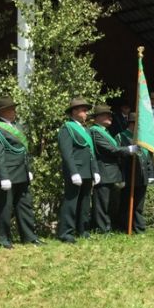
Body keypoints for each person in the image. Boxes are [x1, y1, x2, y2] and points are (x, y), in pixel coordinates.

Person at [0, 96, 43, 248]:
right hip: (7, 174)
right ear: (2, 111)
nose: (14, 111)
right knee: (5, 208)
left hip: (21, 172)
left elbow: (24, 151)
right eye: (11, 109)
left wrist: (29, 169)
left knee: (25, 206)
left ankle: (29, 237)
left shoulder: (17, 126)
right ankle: (4, 239)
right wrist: (3, 177)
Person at [57, 97, 100, 243]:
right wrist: (73, 172)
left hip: (87, 171)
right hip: (76, 171)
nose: (86, 113)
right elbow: (66, 153)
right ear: (74, 111)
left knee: (85, 202)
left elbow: (91, 152)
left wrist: (95, 170)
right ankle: (66, 233)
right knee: (71, 202)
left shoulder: (85, 129)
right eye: (83, 110)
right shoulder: (67, 128)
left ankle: (83, 230)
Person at [89, 104, 137, 233]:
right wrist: (129, 149)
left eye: (110, 115)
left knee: (109, 203)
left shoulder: (105, 131)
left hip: (111, 171)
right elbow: (111, 149)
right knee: (102, 203)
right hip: (104, 170)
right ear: (97, 117)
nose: (110, 117)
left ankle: (107, 226)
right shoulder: (95, 131)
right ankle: (101, 229)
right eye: (106, 115)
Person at [116, 113, 154, 234]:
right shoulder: (121, 136)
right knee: (126, 203)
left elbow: (148, 157)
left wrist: (150, 174)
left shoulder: (142, 139)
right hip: (128, 175)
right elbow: (118, 157)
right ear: (132, 124)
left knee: (139, 204)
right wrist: (121, 177)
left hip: (142, 176)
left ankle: (139, 227)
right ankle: (125, 226)